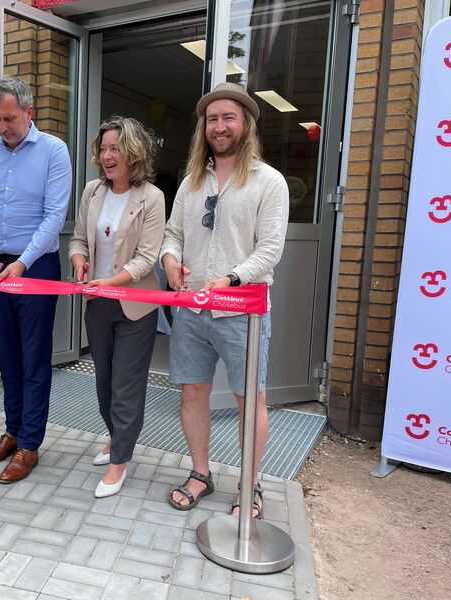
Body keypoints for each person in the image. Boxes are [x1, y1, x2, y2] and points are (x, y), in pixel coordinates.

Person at [161, 82, 288, 517]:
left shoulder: (268, 181)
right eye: (211, 119)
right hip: (192, 310)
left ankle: (250, 486)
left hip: (243, 312)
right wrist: (171, 259)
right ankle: (201, 473)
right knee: (192, 394)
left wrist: (232, 279)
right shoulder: (191, 182)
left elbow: (270, 248)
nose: (219, 126)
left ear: (246, 124)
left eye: (228, 117)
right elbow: (173, 233)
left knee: (249, 399)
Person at [0, 76, 72, 484]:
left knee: (33, 358)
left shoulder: (53, 151)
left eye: (9, 118)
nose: (3, 127)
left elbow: (54, 216)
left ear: (29, 112)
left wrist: (24, 262)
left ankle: (31, 443)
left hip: (37, 266)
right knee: (7, 355)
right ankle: (12, 432)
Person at [69, 116, 165, 498]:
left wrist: (111, 282)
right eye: (104, 149)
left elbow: (146, 259)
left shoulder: (152, 197)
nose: (107, 156)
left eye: (115, 149)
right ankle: (115, 437)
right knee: (104, 381)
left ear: (133, 152)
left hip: (135, 305)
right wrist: (79, 261)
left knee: (126, 385)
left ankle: (119, 461)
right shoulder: (93, 191)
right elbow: (78, 239)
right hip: (97, 302)